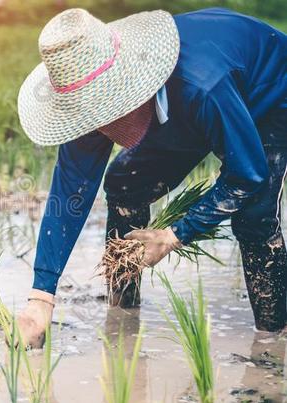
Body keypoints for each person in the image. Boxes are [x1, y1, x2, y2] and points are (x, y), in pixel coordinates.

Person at [16, 7, 287, 348]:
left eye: (103, 113)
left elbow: (248, 175)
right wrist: (42, 296)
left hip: (267, 94)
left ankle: (272, 340)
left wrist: (175, 234)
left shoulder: (202, 83)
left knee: (254, 217)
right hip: (189, 107)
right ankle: (123, 317)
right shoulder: (82, 96)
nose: (96, 128)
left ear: (127, 89)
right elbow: (71, 188)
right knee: (124, 183)